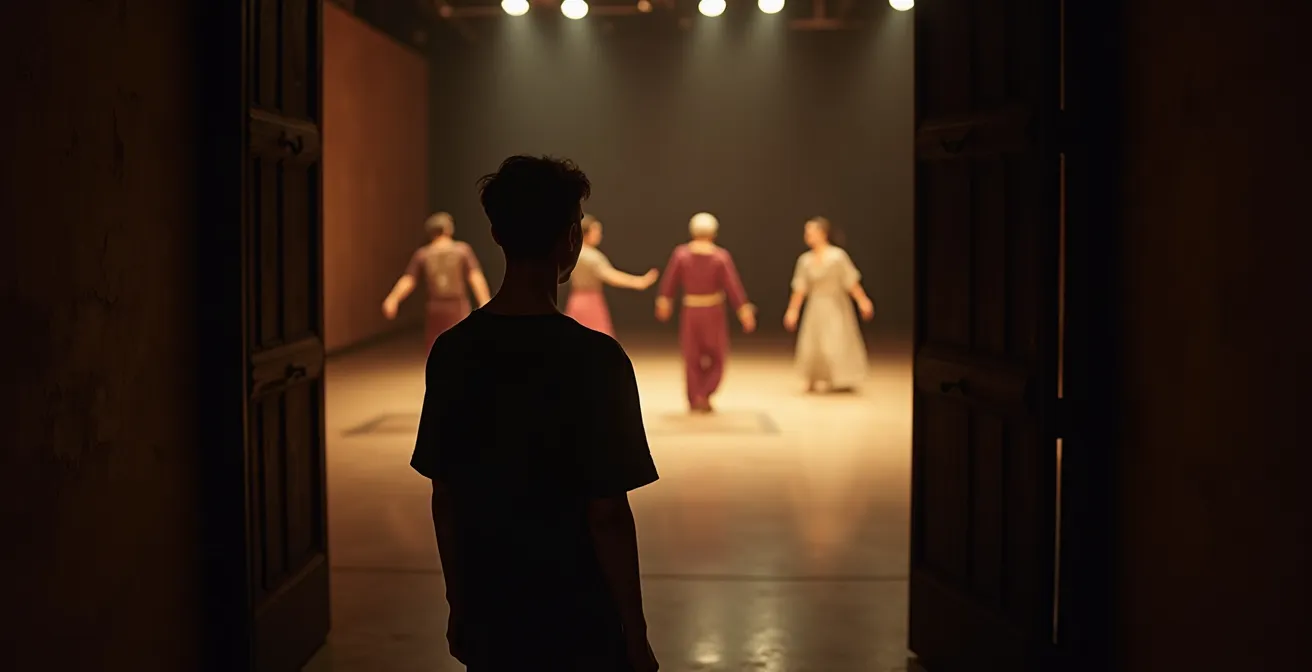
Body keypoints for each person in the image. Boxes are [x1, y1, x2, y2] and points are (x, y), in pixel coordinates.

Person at [410, 156, 661, 672]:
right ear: (573, 238)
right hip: (578, 613)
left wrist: (459, 605)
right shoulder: (598, 360)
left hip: (491, 607)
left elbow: (446, 495)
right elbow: (607, 512)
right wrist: (635, 633)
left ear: (498, 234)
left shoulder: (454, 351)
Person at [655, 212, 756, 413]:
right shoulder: (720, 256)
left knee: (691, 355)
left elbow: (669, 282)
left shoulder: (681, 254)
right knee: (718, 355)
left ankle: (696, 397)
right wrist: (744, 311)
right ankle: (705, 393)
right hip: (713, 311)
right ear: (714, 233)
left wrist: (664, 303)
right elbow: (732, 286)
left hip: (691, 310)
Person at [783, 216, 875, 392]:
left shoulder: (837, 256)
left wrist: (863, 300)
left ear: (823, 234)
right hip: (816, 306)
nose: (808, 235)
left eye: (811, 232)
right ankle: (814, 377)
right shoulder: (805, 260)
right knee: (813, 341)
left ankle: (839, 377)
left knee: (835, 340)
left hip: (835, 304)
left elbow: (850, 281)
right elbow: (800, 287)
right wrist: (793, 310)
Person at [382, 211, 492, 349]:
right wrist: (485, 301)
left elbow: (409, 279)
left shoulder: (423, 254)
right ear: (448, 229)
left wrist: (393, 298)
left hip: (435, 308)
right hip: (457, 306)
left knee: (436, 346)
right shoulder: (462, 250)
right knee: (461, 345)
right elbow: (475, 276)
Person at [565, 214, 660, 336]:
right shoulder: (592, 257)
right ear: (586, 233)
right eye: (596, 231)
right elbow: (611, 276)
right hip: (590, 302)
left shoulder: (573, 253)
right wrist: (638, 282)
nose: (600, 235)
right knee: (597, 338)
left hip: (576, 299)